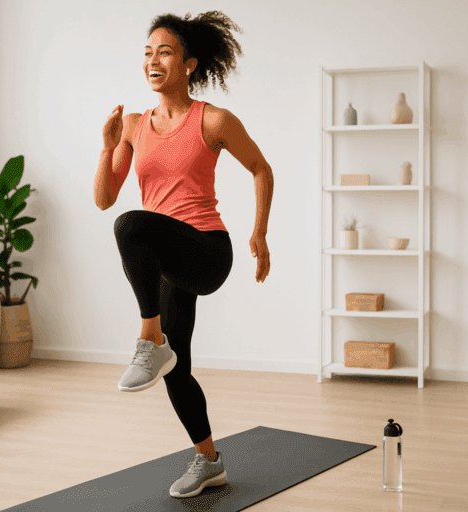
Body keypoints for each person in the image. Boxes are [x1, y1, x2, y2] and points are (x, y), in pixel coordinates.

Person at [94, 11, 274, 499]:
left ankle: (149, 338)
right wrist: (108, 145)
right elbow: (105, 196)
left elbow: (260, 168)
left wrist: (259, 233)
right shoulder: (135, 125)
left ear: (190, 64)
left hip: (206, 252)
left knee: (132, 224)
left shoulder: (212, 120)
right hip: (167, 260)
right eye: (148, 52)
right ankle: (209, 459)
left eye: (165, 52)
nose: (153, 60)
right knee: (179, 369)